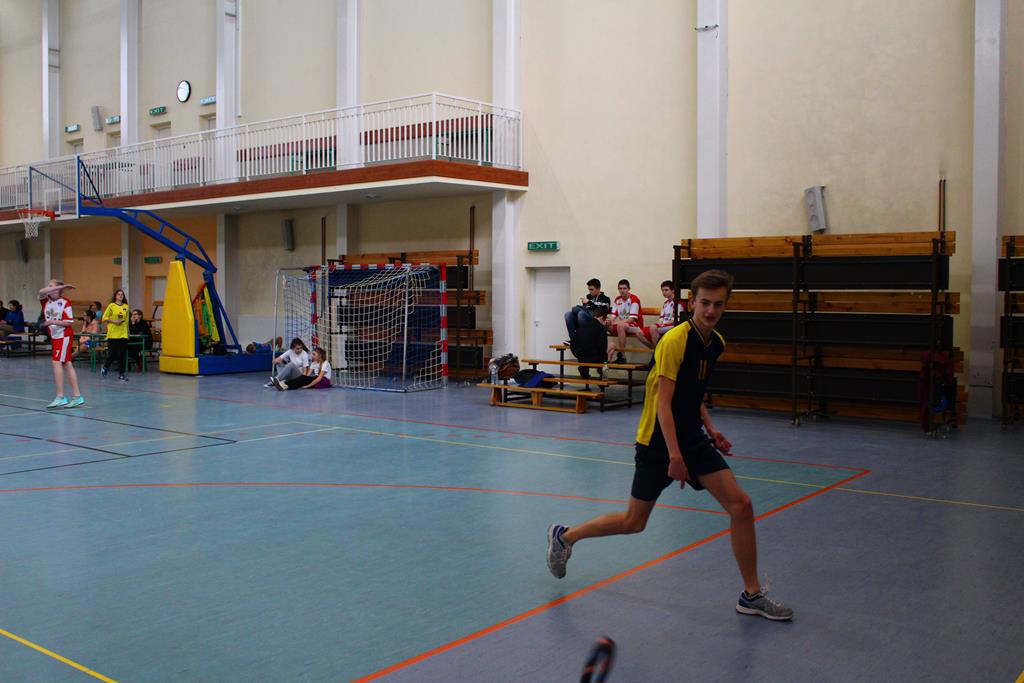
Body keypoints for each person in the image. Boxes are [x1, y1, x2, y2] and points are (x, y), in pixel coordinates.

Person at [546, 270, 794, 622]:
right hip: (658, 442)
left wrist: (712, 430)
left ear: (725, 305)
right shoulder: (675, 341)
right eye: (705, 303)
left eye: (718, 304)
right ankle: (566, 537)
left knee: (741, 505)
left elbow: (693, 394)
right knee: (634, 522)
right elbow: (664, 402)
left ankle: (751, 594)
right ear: (692, 303)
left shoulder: (716, 343)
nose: (711, 310)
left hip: (692, 437)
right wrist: (674, 456)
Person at [39, 281, 84, 409]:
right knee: (67, 364)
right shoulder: (45, 301)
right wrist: (62, 286)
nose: (48, 288)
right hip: (54, 336)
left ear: (58, 290)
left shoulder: (65, 302)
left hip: (64, 335)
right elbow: (41, 292)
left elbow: (68, 322)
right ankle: (77, 396)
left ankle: (60, 397)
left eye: (51, 286)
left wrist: (52, 322)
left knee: (56, 362)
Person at [640, 280, 686, 349]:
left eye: (666, 290)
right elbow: (661, 319)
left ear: (673, 290)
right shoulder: (666, 303)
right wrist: (659, 324)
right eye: (662, 290)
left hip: (673, 325)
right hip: (664, 325)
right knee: (639, 332)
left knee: (653, 328)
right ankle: (655, 348)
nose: (664, 292)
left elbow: (677, 320)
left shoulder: (679, 302)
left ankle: (656, 352)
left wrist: (661, 324)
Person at [606, 279, 643, 364]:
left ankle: (622, 356)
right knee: (604, 324)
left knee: (620, 326)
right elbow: (613, 316)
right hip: (623, 326)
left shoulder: (634, 299)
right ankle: (602, 355)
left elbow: (632, 319)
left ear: (629, 289)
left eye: (624, 288)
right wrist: (609, 321)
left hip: (636, 325)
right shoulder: (617, 299)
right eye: (620, 288)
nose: (622, 290)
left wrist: (615, 323)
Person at [569, 307, 610, 379]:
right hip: (594, 358)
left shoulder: (581, 326)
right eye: (604, 320)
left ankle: (584, 370)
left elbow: (573, 342)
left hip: (581, 358)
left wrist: (578, 355)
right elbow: (602, 347)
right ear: (601, 318)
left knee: (587, 348)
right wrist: (604, 359)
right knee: (611, 346)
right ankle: (602, 371)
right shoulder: (601, 328)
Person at [101, 289, 130, 381]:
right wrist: (115, 321)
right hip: (113, 333)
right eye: (118, 294)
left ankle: (122, 374)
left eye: (122, 294)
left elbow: (127, 321)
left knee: (122, 355)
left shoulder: (126, 307)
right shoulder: (111, 306)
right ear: (115, 296)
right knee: (113, 354)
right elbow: (104, 318)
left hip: (123, 334)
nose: (120, 296)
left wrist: (128, 333)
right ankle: (106, 366)